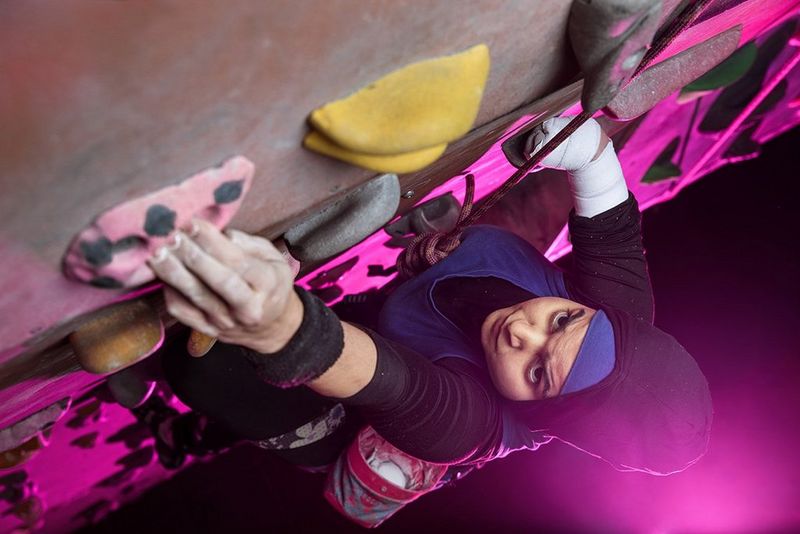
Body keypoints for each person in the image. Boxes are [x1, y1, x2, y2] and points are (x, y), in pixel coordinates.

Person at [145, 117, 713, 527]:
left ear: (538, 408)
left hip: (371, 413)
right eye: (561, 319)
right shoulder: (617, 321)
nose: (522, 331)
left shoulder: (465, 425)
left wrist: (278, 327)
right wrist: (580, 146)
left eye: (538, 373)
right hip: (406, 318)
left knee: (204, 370)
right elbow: (603, 186)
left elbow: (377, 375)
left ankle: (188, 436)